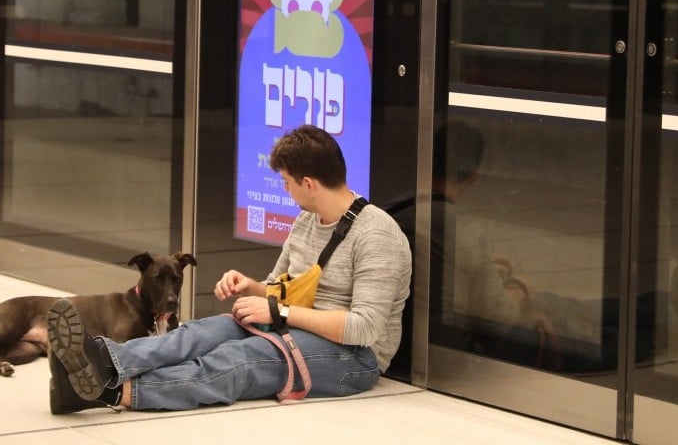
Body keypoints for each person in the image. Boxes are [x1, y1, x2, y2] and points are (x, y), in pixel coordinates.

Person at [46, 124, 413, 413]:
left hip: (353, 359)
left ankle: (113, 392)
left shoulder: (378, 236)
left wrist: (278, 311)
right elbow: (277, 289)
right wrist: (251, 287)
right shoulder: (306, 222)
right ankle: (103, 360)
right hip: (294, 324)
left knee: (240, 359)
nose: (286, 192)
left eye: (286, 183)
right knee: (199, 334)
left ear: (309, 183)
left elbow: (363, 329)